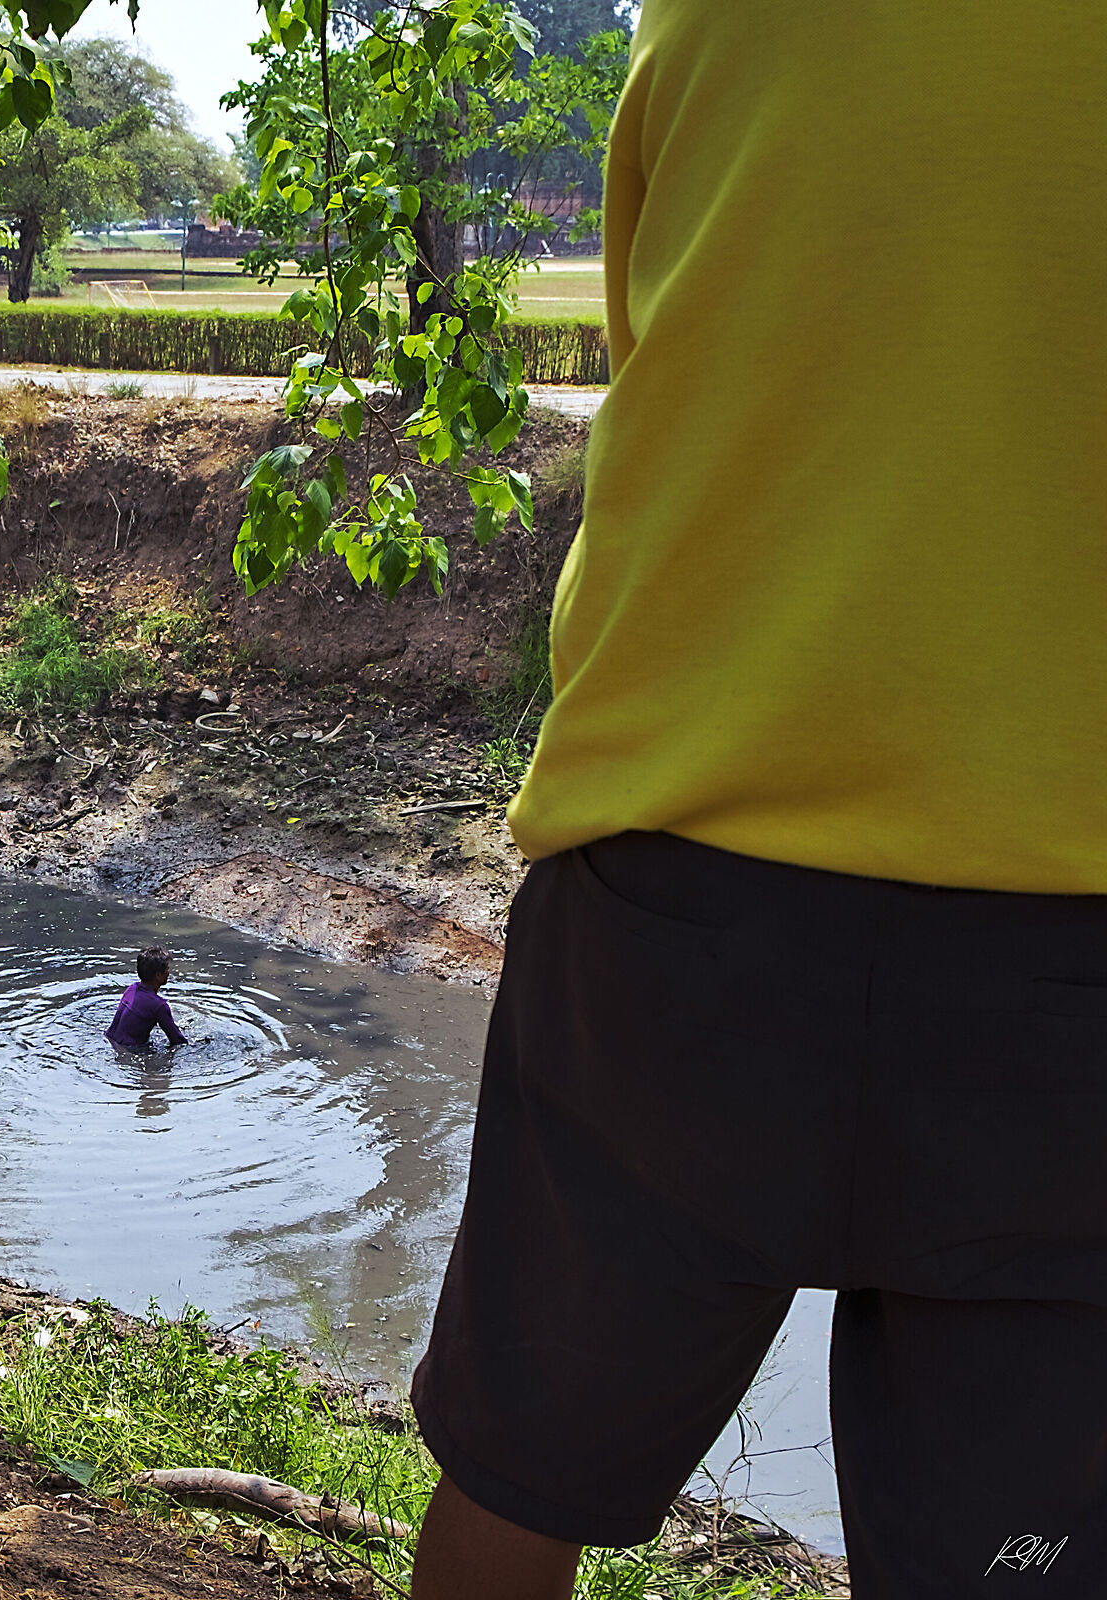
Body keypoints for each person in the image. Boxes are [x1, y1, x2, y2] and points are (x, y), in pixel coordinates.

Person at [406, 6, 1107, 1597]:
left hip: (682, 885)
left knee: (520, 1476)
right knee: (1022, 1556)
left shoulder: (712, 17)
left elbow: (674, 352)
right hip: (1070, 933)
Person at [105, 946, 186, 1052]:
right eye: (167, 968)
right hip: (130, 1051)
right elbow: (178, 1041)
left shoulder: (132, 988)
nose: (169, 971)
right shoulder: (159, 1006)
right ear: (158, 975)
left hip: (109, 1040)